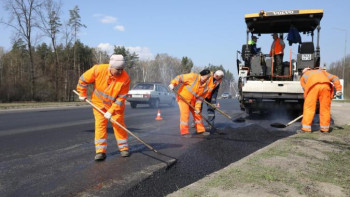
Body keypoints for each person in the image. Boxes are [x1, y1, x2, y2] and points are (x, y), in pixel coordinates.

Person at [77, 54, 130, 161]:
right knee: (100, 125)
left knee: (119, 124)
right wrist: (82, 93)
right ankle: (100, 152)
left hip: (115, 106)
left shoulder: (125, 78)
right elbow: (83, 80)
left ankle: (124, 148)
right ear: (111, 67)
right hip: (98, 103)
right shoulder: (98, 69)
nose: (120, 72)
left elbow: (121, 98)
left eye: (122, 69)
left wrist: (111, 111)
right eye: (118, 69)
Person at [298, 67, 342, 133]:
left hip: (312, 88)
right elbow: (335, 78)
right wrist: (338, 89)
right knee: (325, 108)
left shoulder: (304, 75)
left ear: (305, 71)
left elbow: (305, 89)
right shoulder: (323, 72)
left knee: (309, 108)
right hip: (325, 87)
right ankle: (325, 129)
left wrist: (311, 99)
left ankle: (306, 129)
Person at [169, 70, 211, 138]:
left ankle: (200, 130)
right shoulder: (192, 76)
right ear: (202, 75)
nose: (205, 80)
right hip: (183, 98)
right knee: (185, 114)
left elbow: (200, 99)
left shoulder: (205, 86)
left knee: (197, 114)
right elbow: (180, 77)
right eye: (205, 78)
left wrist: (197, 108)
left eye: (207, 78)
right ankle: (184, 132)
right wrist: (173, 83)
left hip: (193, 101)